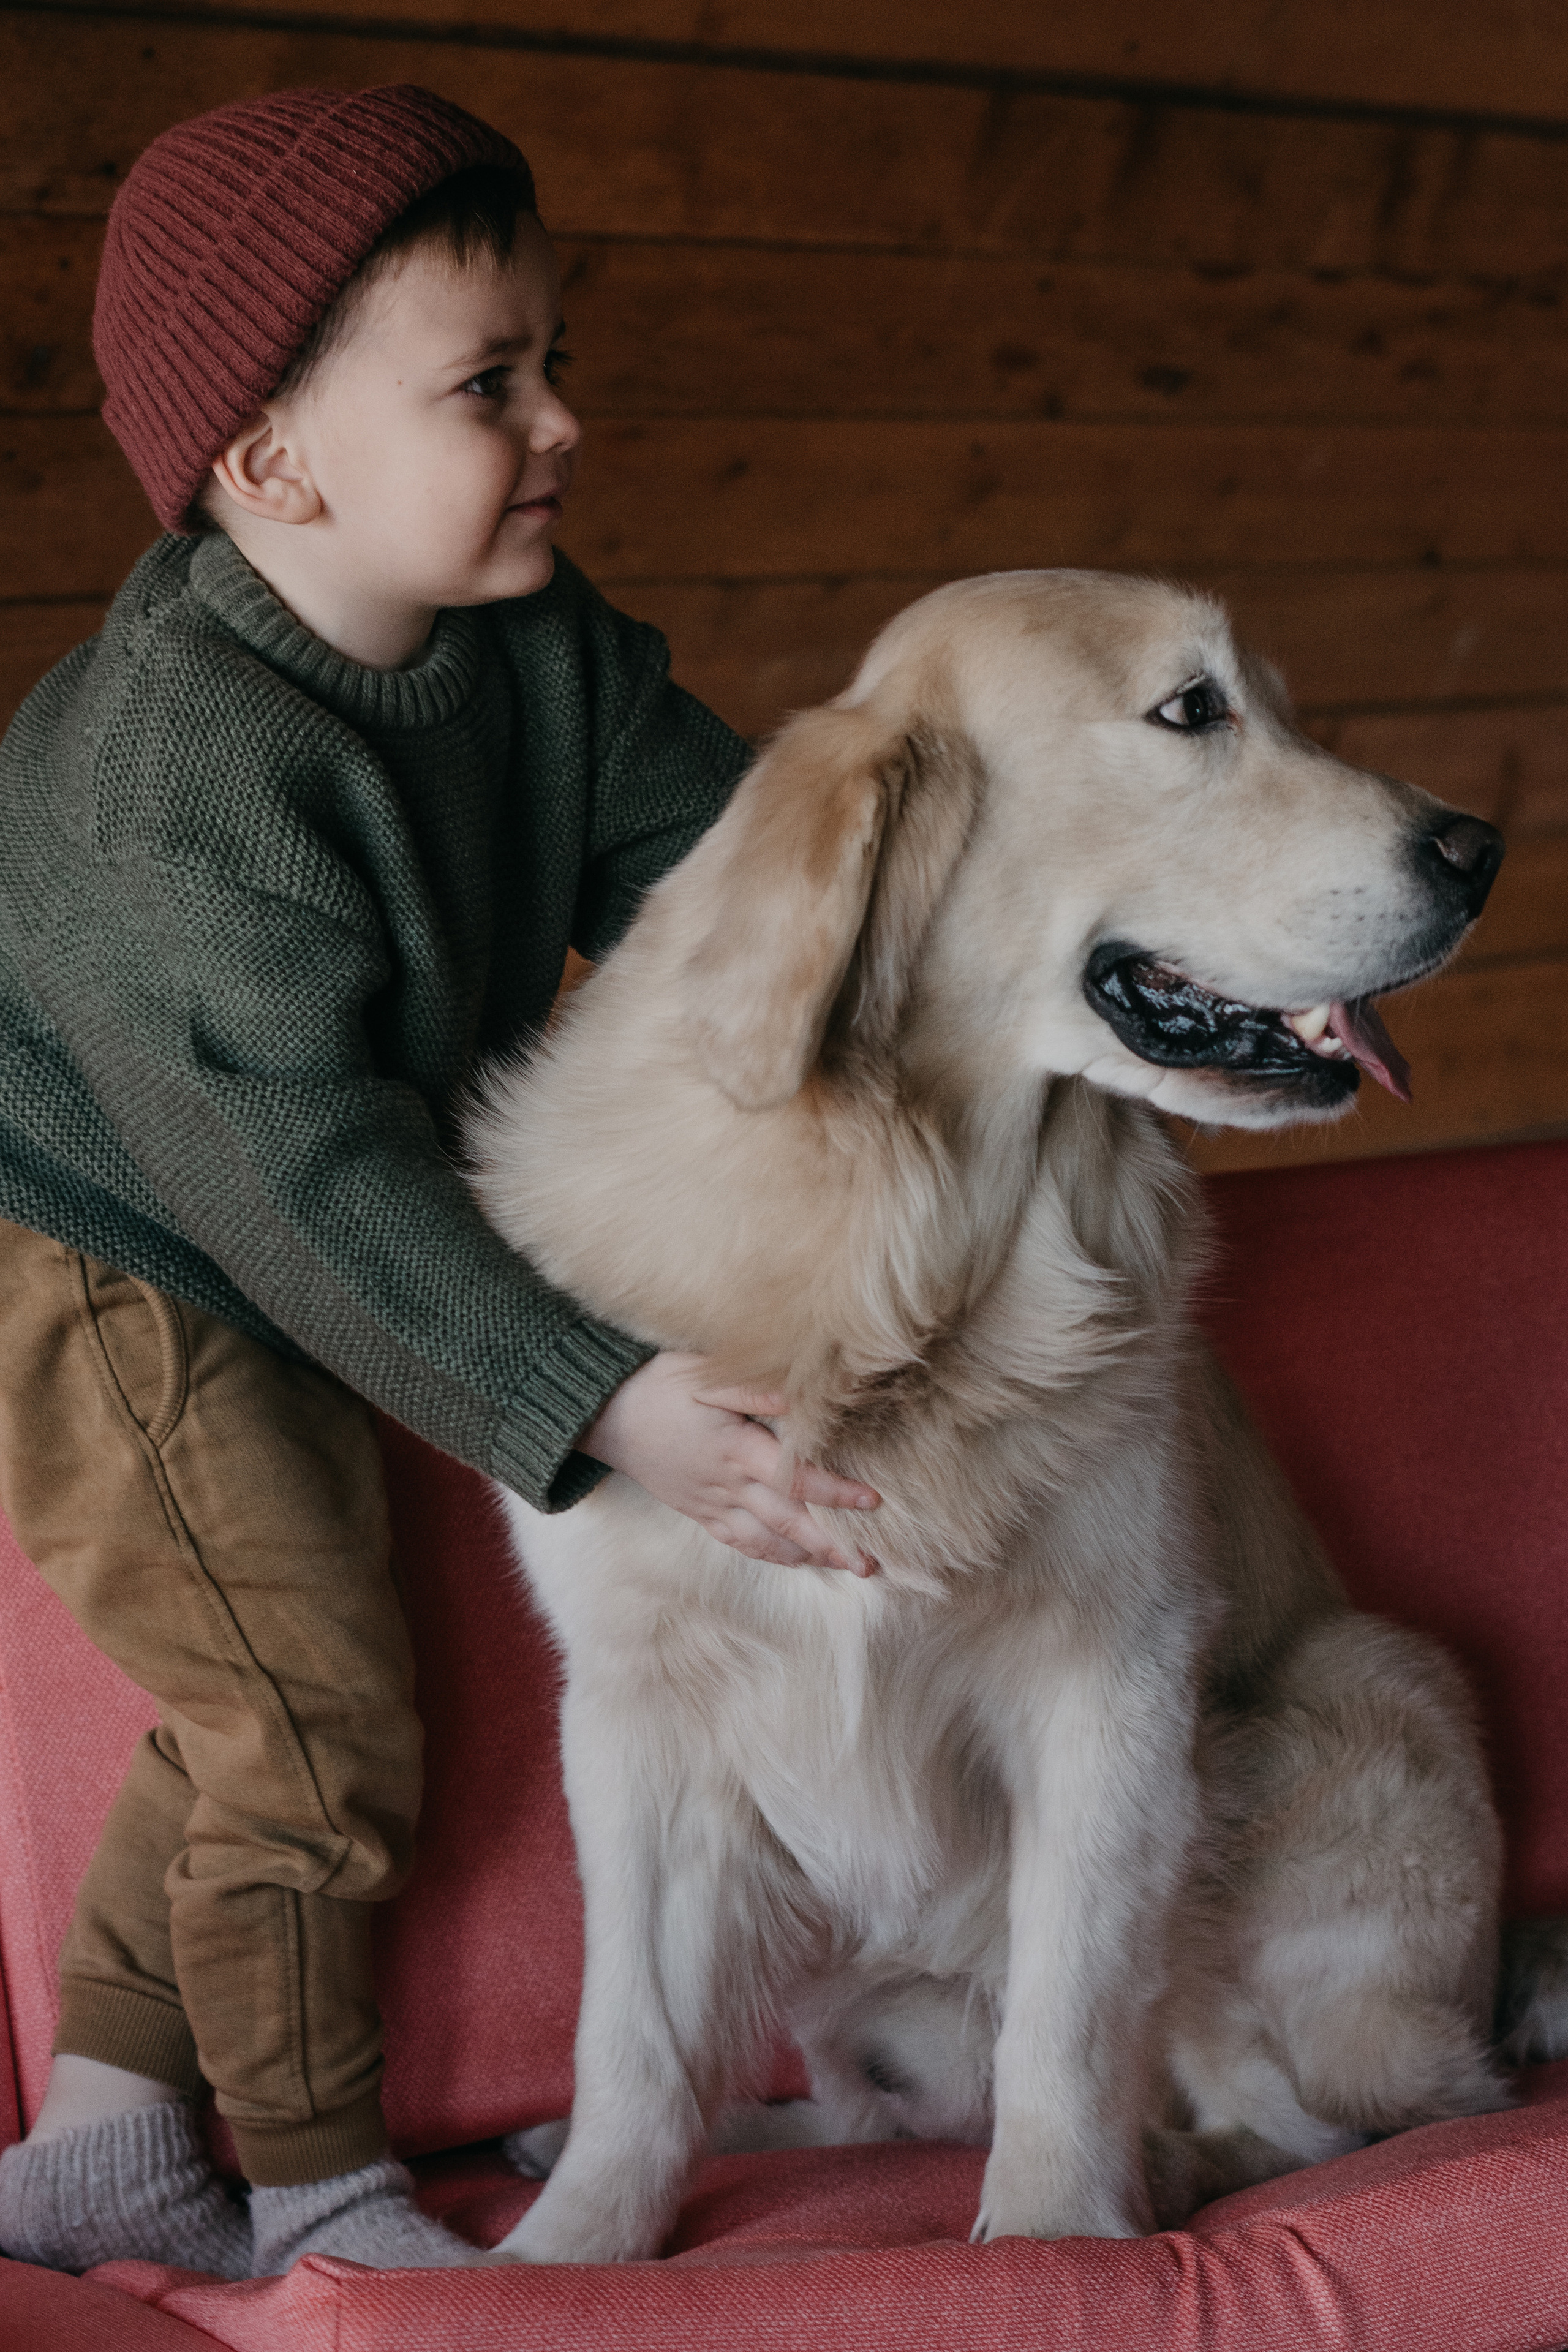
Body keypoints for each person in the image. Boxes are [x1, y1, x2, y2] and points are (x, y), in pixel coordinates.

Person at [0, 83, 878, 2279]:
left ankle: (104, 2132)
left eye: (551, 359)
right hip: (112, 1225)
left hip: (314, 1180)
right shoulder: (185, 774)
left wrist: (989, 986)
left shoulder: (538, 650)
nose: (562, 418)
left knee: (253, 1658)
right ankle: (319, 2196)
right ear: (277, 466)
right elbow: (292, 1172)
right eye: (492, 384)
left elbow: (742, 876)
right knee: (309, 1705)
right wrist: (604, 1389)